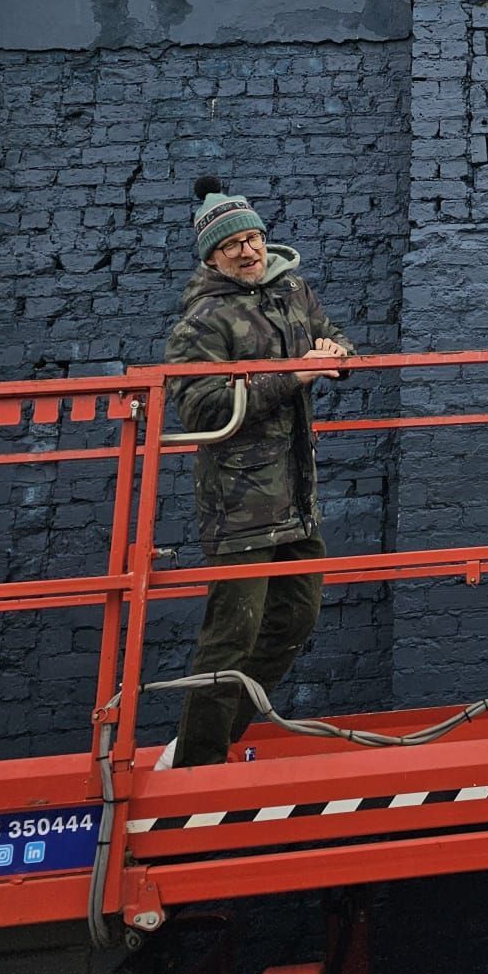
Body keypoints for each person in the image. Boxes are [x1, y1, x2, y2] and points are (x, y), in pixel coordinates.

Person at [159, 175, 353, 767]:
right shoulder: (202, 321)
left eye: (254, 237)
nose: (248, 250)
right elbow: (197, 405)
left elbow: (333, 338)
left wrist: (336, 358)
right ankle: (196, 763)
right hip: (239, 504)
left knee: (295, 618)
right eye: (233, 243)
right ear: (212, 255)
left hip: (296, 497)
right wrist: (292, 374)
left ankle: (203, 740)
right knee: (230, 637)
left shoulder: (293, 292)